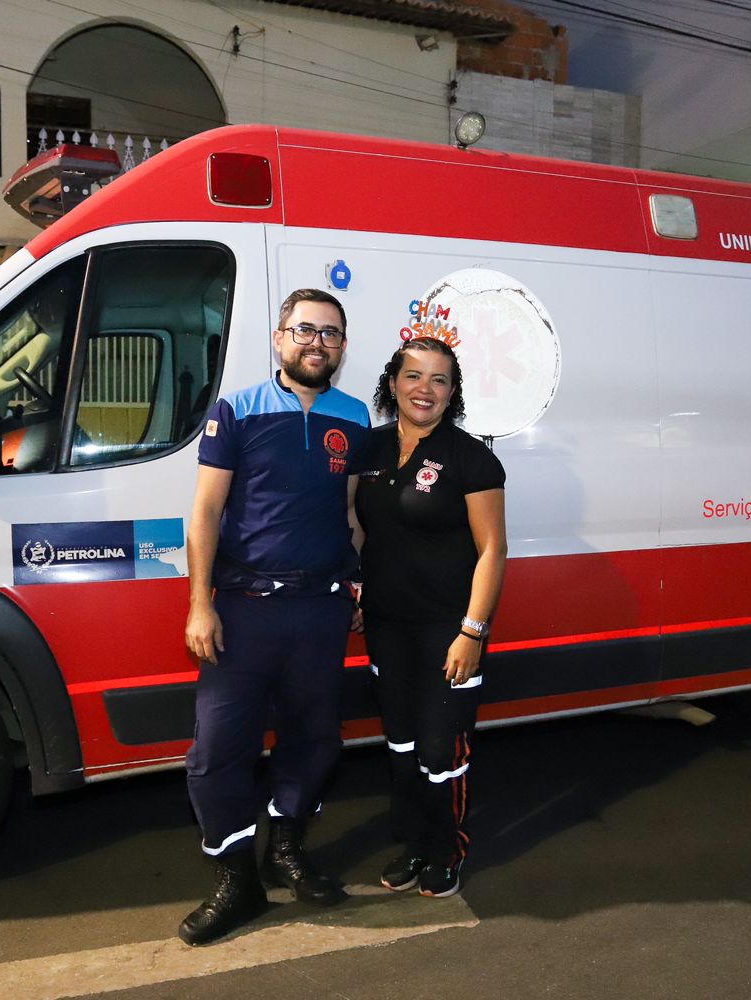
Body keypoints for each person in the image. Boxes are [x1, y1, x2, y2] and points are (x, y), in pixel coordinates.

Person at [178, 288, 371, 946]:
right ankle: (237, 879)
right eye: (305, 330)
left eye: (330, 334)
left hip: (319, 610)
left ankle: (285, 848)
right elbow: (204, 513)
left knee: (314, 740)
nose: (317, 342)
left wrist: (358, 582)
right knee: (216, 752)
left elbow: (350, 514)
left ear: (342, 347)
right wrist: (200, 602)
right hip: (243, 610)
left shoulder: (356, 418)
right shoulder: (238, 409)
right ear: (279, 337)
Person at [353, 336, 507, 898]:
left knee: (441, 748)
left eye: (439, 380)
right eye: (414, 376)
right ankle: (413, 842)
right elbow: (360, 525)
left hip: (449, 627)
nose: (425, 389)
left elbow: (493, 551)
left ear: (452, 393)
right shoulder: (367, 450)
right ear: (393, 382)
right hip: (386, 623)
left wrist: (473, 631)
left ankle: (447, 847)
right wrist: (354, 584)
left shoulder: (472, 458)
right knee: (400, 742)